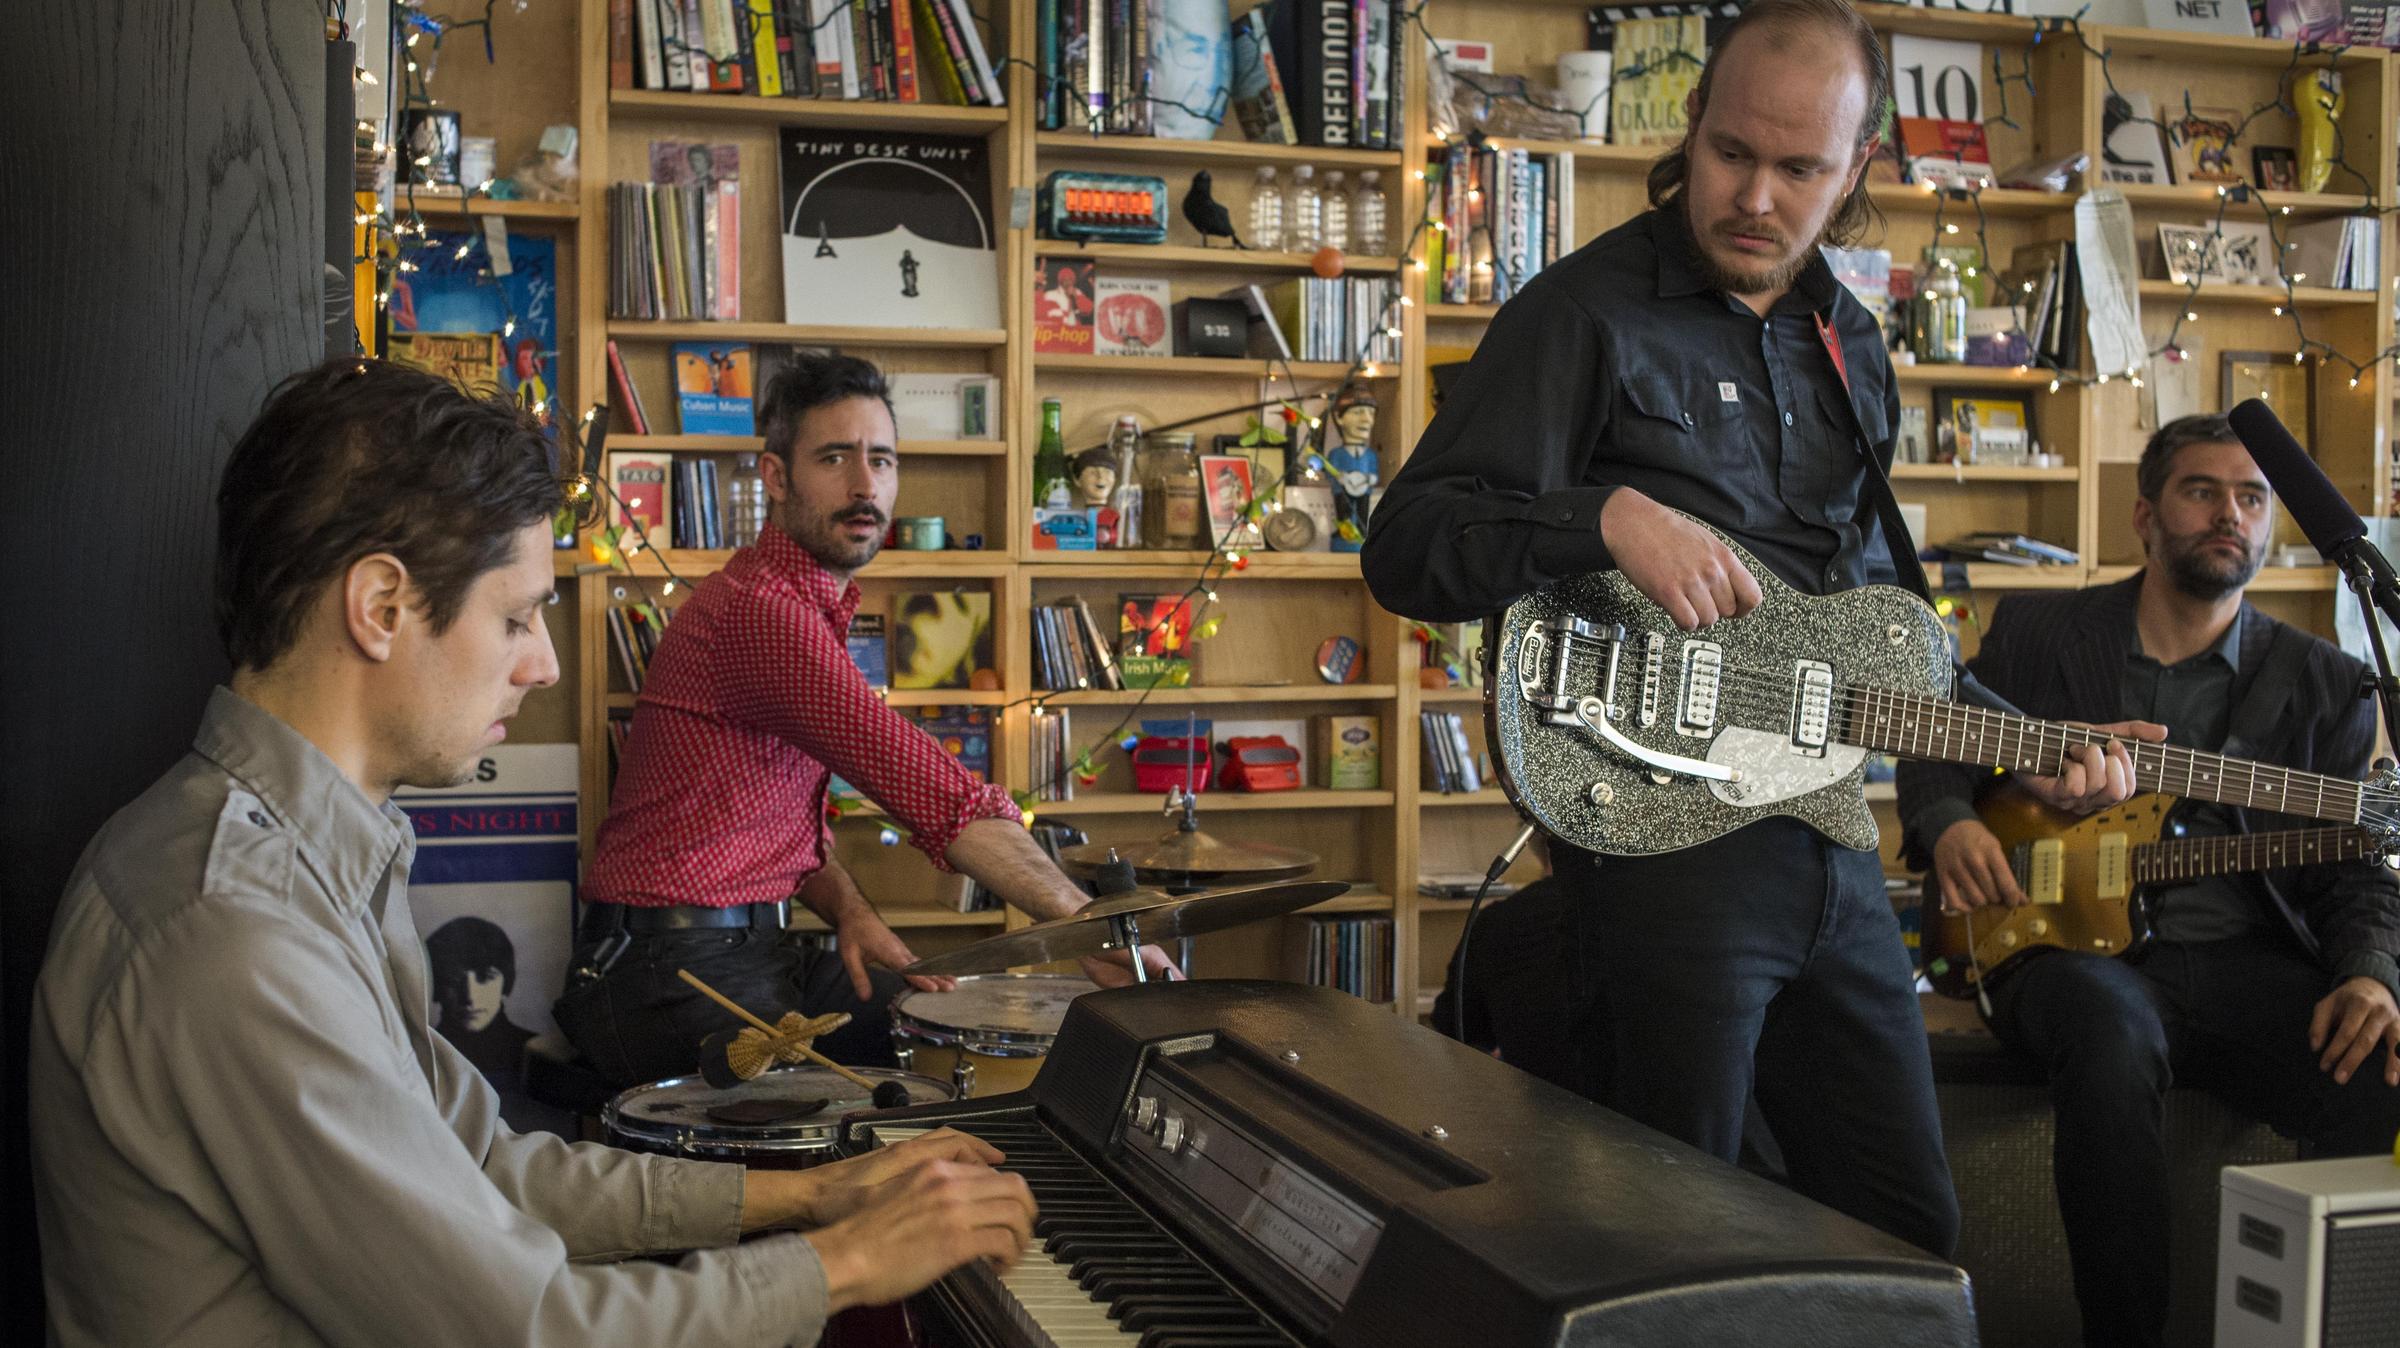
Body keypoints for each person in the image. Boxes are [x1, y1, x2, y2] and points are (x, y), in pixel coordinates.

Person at [28, 358, 1037, 1346]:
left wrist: (819, 1189)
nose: (543, 660)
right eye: (514, 616)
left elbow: (486, 1167)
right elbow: (528, 1325)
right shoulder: (233, 933)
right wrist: (851, 1259)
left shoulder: (306, 861)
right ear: (379, 607)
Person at [1361, 0, 2153, 1258]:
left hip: (1830, 839)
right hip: (1660, 846)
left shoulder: (1851, 343)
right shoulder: (1581, 315)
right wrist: (1605, 515)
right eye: (1735, 154)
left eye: (1802, 170)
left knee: (1905, 1241)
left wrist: (2022, 741)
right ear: (1693, 127)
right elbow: (1407, 546)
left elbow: (1873, 628)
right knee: (1669, 1238)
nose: (1758, 197)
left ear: (1858, 171)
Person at [1897, 414, 2400, 1348]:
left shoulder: (2328, 682)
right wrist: (1952, 820)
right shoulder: (2045, 629)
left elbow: (2357, 863)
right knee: (2110, 1032)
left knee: (2371, 1055)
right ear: (2146, 514)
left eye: (2253, 498)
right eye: (2203, 491)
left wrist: (2371, 969)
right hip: (2061, 949)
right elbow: (1936, 738)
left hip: (2248, 955)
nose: (2232, 516)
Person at [558, 352, 1174, 1090]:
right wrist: (1090, 928)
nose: (864, 485)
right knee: (879, 1117)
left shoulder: (798, 608)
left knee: (945, 1044)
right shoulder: (763, 615)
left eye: (881, 459)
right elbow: (934, 793)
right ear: (777, 477)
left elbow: (768, 826)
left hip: (753, 948)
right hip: (663, 973)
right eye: (834, 457)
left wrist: (851, 908)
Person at [427, 915, 539, 1084]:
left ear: (507, 981)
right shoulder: (419, 1055)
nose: (470, 998)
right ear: (436, 985)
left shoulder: (535, 1054)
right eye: (454, 979)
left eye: (485, 978)